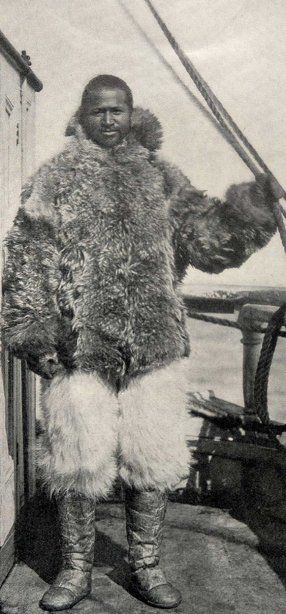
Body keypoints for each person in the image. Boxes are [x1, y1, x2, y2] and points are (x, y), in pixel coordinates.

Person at [2, 74, 283, 611]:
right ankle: (76, 569)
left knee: (150, 459)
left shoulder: (163, 180)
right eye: (98, 111)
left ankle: (145, 565)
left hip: (153, 348)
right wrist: (35, 334)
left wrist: (252, 207)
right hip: (78, 348)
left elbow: (210, 244)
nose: (109, 120)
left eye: (119, 110)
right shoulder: (54, 181)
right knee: (76, 459)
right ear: (82, 117)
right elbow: (26, 263)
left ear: (133, 113)